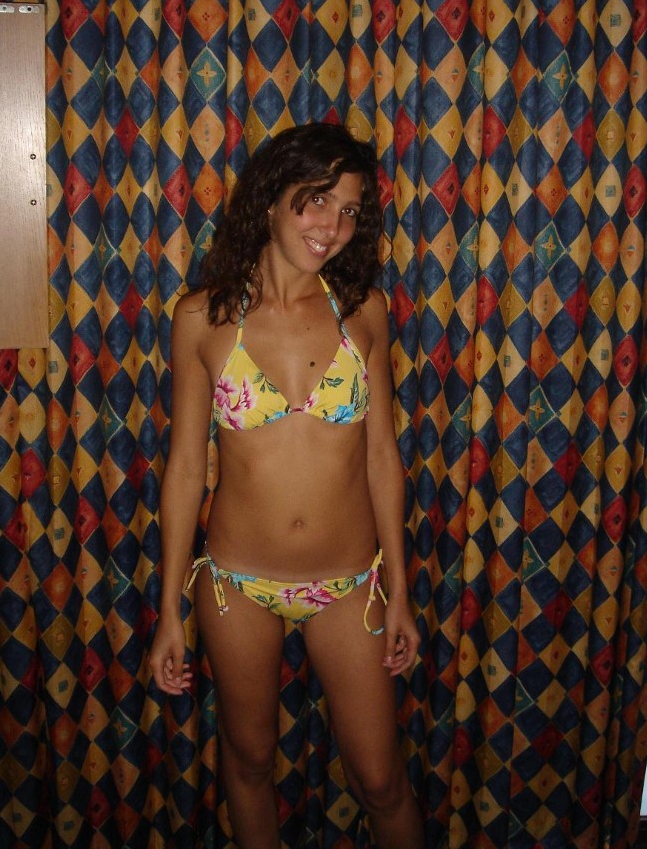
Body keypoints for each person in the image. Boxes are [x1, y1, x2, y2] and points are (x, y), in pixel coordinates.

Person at [148, 123, 424, 849]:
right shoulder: (201, 318)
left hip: (349, 584)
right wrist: (169, 609)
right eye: (317, 200)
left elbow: (382, 458)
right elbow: (185, 469)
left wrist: (399, 590)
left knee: (381, 780)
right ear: (271, 199)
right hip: (236, 584)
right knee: (248, 763)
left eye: (350, 209)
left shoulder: (363, 312)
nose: (333, 226)